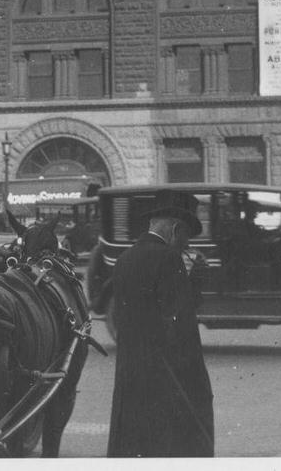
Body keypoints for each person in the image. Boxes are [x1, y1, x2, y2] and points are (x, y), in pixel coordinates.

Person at [107, 191, 214, 457]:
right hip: (165, 377)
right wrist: (197, 281)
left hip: (130, 373)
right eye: (186, 237)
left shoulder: (124, 259)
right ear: (176, 229)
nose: (186, 245)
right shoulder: (169, 258)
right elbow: (181, 324)